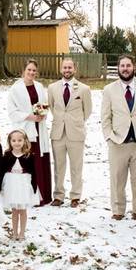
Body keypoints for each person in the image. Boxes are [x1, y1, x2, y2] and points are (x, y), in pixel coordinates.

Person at [101, 54, 136, 221]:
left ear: (134, 67)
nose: (125, 69)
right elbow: (105, 117)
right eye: (122, 66)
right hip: (118, 142)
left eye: (128, 65)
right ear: (118, 68)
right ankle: (118, 210)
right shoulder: (109, 89)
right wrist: (109, 137)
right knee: (117, 179)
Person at [47, 57, 92, 207]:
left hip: (76, 133)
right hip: (58, 132)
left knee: (76, 166)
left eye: (70, 68)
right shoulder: (52, 88)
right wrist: (61, 119)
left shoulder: (84, 89)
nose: (67, 70)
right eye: (64, 68)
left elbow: (88, 111)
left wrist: (75, 122)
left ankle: (75, 196)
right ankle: (58, 196)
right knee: (59, 166)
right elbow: (52, 107)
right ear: (61, 69)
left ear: (74, 69)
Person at [7, 60, 51, 206]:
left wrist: (43, 113)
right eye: (29, 70)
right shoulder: (15, 89)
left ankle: (42, 195)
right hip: (25, 130)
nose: (31, 73)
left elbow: (43, 104)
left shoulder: (39, 86)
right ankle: (28, 196)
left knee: (40, 160)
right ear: (23, 71)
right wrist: (29, 116)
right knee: (29, 161)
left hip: (39, 128)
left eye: (34, 70)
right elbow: (12, 112)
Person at [0, 130, 39, 241]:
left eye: (20, 140)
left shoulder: (29, 155)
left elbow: (34, 172)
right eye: (14, 140)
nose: (17, 143)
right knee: (14, 211)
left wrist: (34, 186)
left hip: (24, 183)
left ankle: (22, 233)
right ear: (10, 141)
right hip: (11, 183)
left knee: (23, 210)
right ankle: (14, 233)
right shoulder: (7, 155)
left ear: (25, 141)